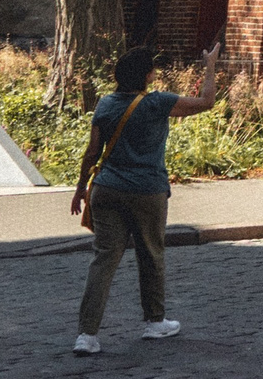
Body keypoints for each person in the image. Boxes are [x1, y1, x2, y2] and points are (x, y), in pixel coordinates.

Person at [69, 41, 226, 355]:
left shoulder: (105, 104)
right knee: (151, 254)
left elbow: (92, 152)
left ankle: (86, 335)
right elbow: (207, 101)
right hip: (147, 190)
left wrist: (80, 188)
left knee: (103, 261)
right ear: (148, 75)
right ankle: (155, 322)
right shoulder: (158, 103)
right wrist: (210, 66)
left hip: (107, 189)